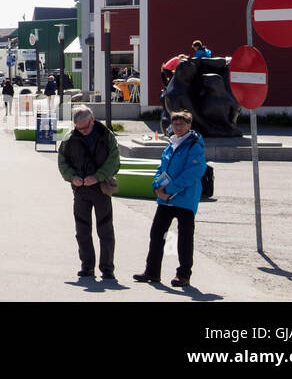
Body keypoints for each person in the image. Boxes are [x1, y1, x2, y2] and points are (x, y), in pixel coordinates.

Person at [134, 111, 207, 287]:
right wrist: (156, 186)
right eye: (175, 124)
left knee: (184, 238)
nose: (178, 127)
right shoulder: (171, 144)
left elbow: (194, 172)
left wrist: (170, 189)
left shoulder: (194, 145)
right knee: (157, 234)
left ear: (189, 125)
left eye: (182, 124)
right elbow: (161, 168)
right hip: (165, 199)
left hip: (185, 199)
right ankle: (152, 271)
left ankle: (183, 275)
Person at [58, 106, 120, 280]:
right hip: (80, 191)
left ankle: (107, 268)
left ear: (93, 120)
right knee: (82, 231)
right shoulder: (69, 139)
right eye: (79, 128)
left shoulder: (106, 136)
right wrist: (72, 177)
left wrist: (98, 176)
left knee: (106, 230)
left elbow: (114, 161)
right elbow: (62, 162)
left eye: (85, 127)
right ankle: (87, 266)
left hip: (101, 189)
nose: (83, 131)